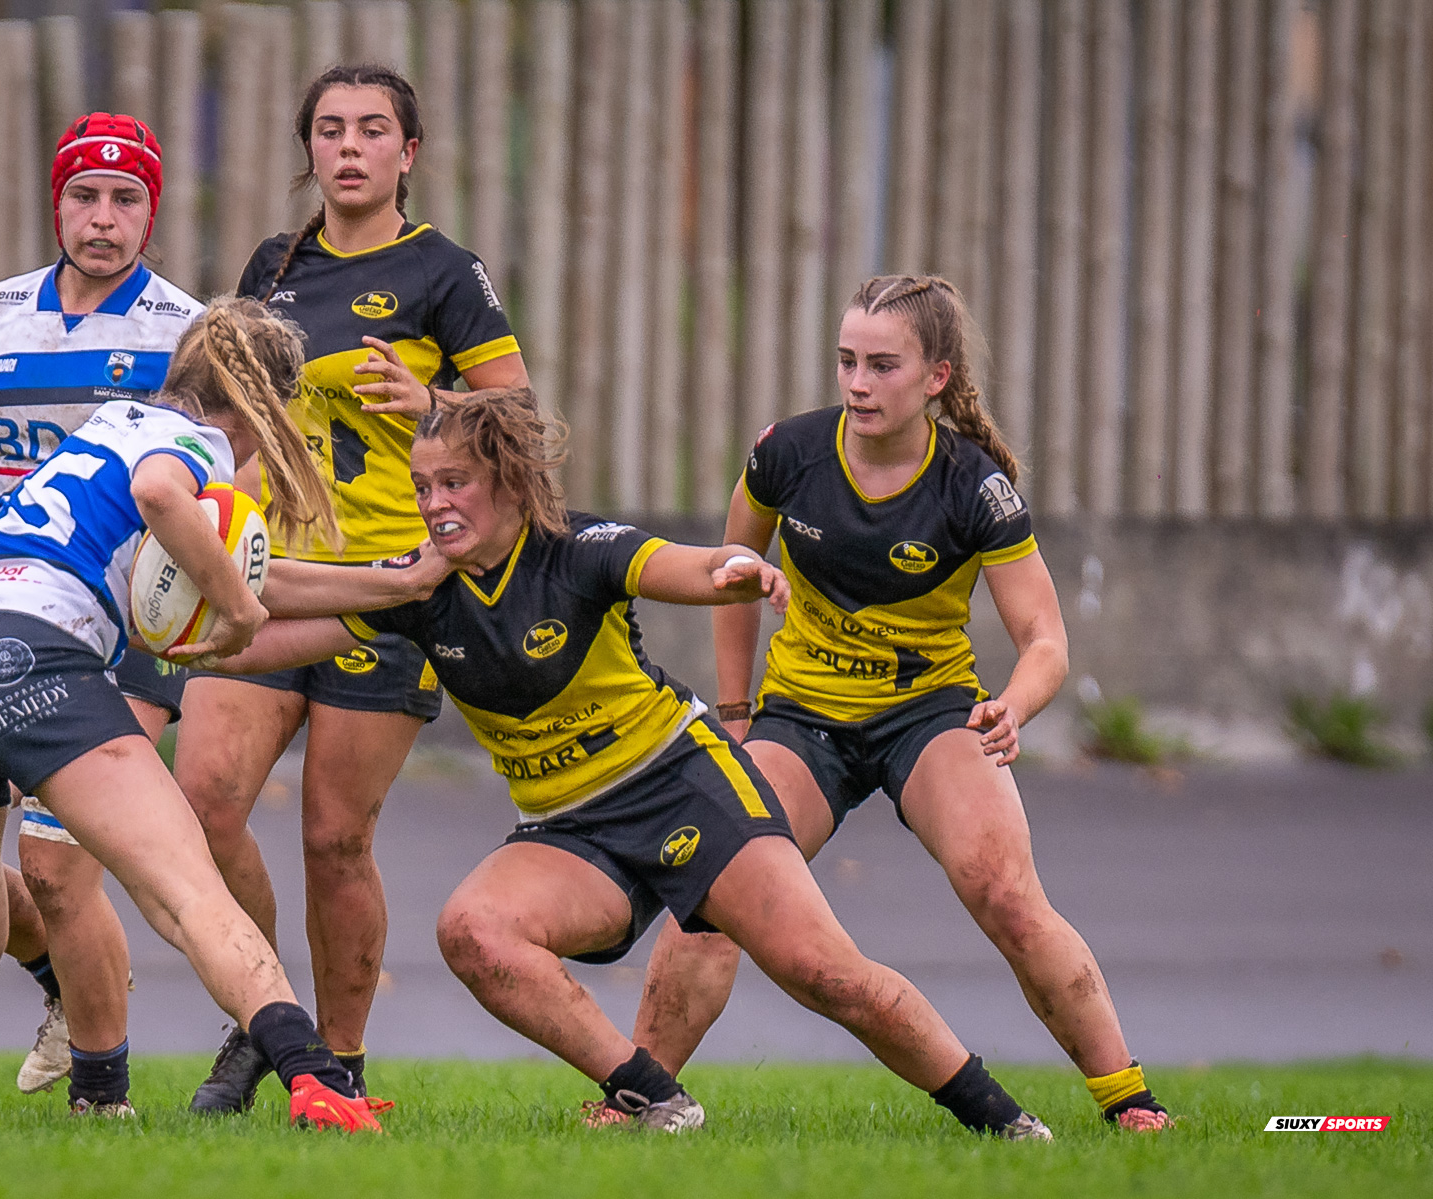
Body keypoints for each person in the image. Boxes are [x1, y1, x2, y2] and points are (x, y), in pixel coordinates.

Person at [191, 388, 1053, 1139]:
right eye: (422, 487)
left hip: (687, 786)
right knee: (473, 929)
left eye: (453, 483)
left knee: (826, 972)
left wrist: (739, 568)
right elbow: (261, 637)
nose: (433, 504)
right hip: (572, 830)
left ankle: (1001, 1117)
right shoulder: (420, 588)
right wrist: (180, 633)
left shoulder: (578, 549)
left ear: (509, 482)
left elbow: (680, 567)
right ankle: (650, 1096)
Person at [0, 296, 453, 1129]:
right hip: (29, 654)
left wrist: (394, 586)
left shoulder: (112, 424)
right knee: (191, 895)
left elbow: (243, 571)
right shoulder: (192, 446)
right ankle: (316, 1078)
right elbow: (169, 507)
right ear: (257, 407)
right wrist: (241, 614)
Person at [626, 275, 1172, 1132]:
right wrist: (736, 712)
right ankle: (637, 1098)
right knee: (718, 887)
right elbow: (731, 575)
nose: (857, 382)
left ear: (937, 378)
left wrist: (1013, 706)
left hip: (930, 714)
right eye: (846, 361)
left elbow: (1046, 642)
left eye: (883, 365)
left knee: (1004, 890)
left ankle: (1132, 1103)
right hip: (801, 719)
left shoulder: (973, 486)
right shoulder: (787, 454)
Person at [176, 63, 529, 1112]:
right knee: (203, 801)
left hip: (392, 583)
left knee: (334, 837)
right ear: (311, 150)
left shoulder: (443, 274)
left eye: (373, 130)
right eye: (330, 128)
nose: (349, 146)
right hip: (276, 573)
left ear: (407, 155)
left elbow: (522, 423)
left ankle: (341, 1057)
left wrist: (435, 397)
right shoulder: (271, 267)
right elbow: (233, 415)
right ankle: (264, 1017)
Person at [0, 113, 203, 1101]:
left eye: (125, 200)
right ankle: (71, 990)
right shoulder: (0, 311)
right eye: (84, 196)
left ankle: (101, 1093)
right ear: (56, 202)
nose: (102, 219)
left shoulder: (182, 329)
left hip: (133, 622)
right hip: (13, 610)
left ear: (151, 213)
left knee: (63, 868)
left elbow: (205, 482)